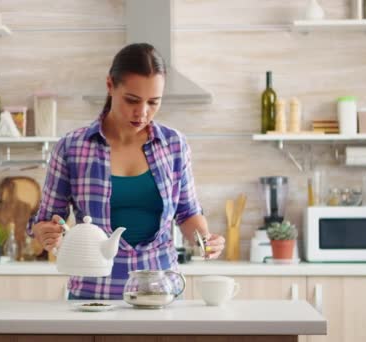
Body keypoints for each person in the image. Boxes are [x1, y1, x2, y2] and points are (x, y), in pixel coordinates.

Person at [27, 43, 225, 299]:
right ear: (110, 85)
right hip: (93, 294)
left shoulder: (174, 145)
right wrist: (47, 232)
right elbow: (48, 220)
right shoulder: (72, 147)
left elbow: (187, 214)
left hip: (160, 291)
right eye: (132, 100)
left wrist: (205, 240)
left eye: (154, 102)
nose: (142, 113)